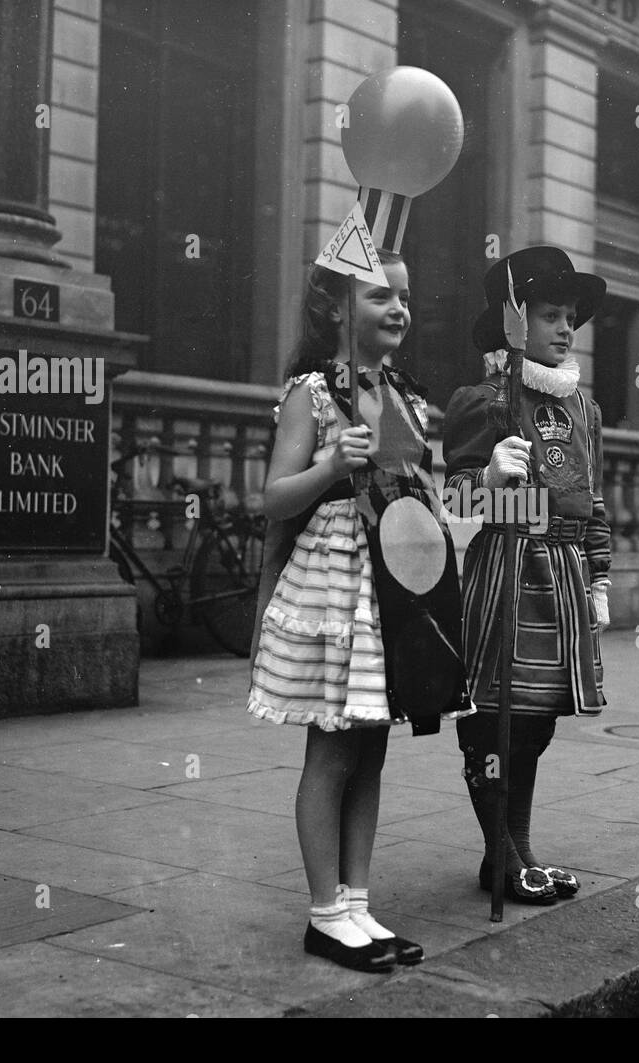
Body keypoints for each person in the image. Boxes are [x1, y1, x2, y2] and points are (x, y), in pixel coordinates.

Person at [248, 251, 464, 971]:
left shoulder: (402, 394)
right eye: (381, 295)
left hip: (392, 588)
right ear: (337, 308)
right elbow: (274, 498)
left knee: (371, 749)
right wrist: (330, 467)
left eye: (405, 296)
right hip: (335, 586)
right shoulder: (309, 394)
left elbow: (421, 494)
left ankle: (358, 905)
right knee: (333, 749)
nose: (400, 308)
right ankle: (323, 914)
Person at [442, 246, 612, 904]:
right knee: (494, 720)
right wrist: (489, 480)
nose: (565, 328)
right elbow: (456, 504)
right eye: (549, 315)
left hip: (563, 575)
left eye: (570, 316)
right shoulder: (485, 403)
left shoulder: (585, 412)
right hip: (509, 571)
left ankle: (517, 848)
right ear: (517, 322)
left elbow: (593, 501)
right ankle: (501, 854)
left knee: (536, 721)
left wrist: (599, 576)